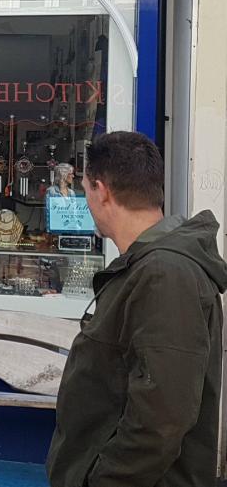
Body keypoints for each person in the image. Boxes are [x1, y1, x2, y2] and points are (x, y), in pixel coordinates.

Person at [47, 131, 227, 487]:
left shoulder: (165, 274)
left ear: (102, 191)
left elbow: (161, 421)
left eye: (85, 190)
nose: (86, 201)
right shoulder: (150, 266)